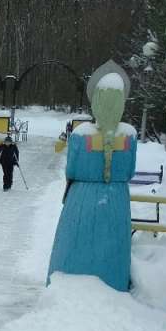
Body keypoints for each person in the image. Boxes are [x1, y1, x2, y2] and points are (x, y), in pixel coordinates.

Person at [48, 69, 137, 291]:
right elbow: (129, 171)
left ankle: (67, 283)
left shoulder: (81, 135)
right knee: (112, 246)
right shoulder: (129, 136)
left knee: (76, 243)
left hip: (82, 198)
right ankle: (113, 284)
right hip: (116, 198)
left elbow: (73, 169)